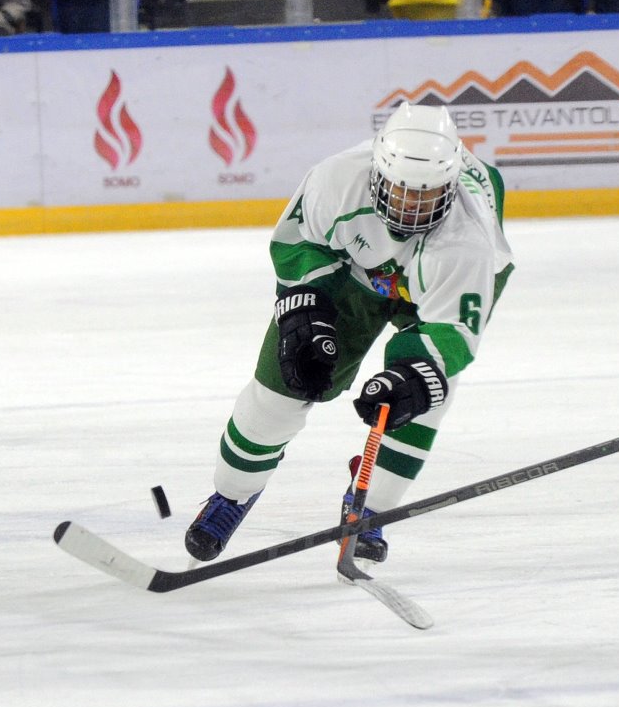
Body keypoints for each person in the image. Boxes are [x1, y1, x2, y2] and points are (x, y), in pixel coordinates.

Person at [184, 103, 514, 564]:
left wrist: (412, 378)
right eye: (401, 192)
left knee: (420, 399)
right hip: (356, 268)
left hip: (438, 287)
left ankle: (371, 509)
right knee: (282, 383)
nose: (411, 207)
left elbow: (451, 334)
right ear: (378, 174)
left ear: (450, 186)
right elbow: (295, 244)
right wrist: (307, 313)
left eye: (426, 195)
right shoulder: (336, 181)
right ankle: (232, 495)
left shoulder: (468, 242)